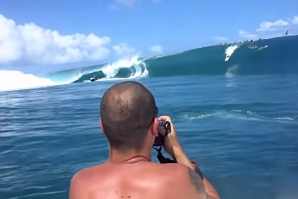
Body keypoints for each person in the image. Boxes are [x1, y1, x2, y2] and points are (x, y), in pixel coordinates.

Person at [69, 81, 220, 199]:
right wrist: (176, 150)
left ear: (102, 127)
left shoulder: (81, 183)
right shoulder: (180, 177)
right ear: (155, 127)